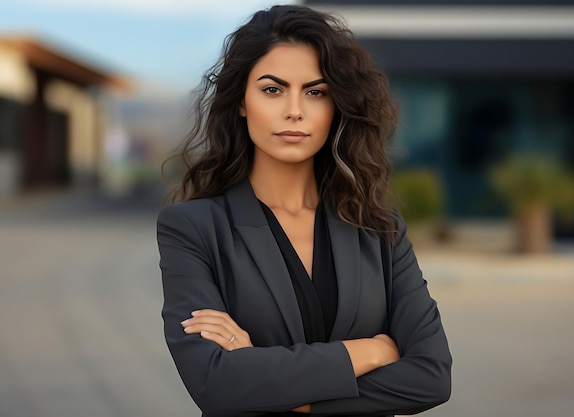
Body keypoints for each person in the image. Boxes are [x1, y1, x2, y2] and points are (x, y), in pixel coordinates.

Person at [157, 5, 452, 416]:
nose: (294, 110)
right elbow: (215, 383)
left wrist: (275, 389)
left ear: (336, 108)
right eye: (272, 89)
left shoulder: (380, 229)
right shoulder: (192, 227)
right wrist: (370, 350)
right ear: (242, 102)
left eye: (315, 92)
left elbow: (430, 378)